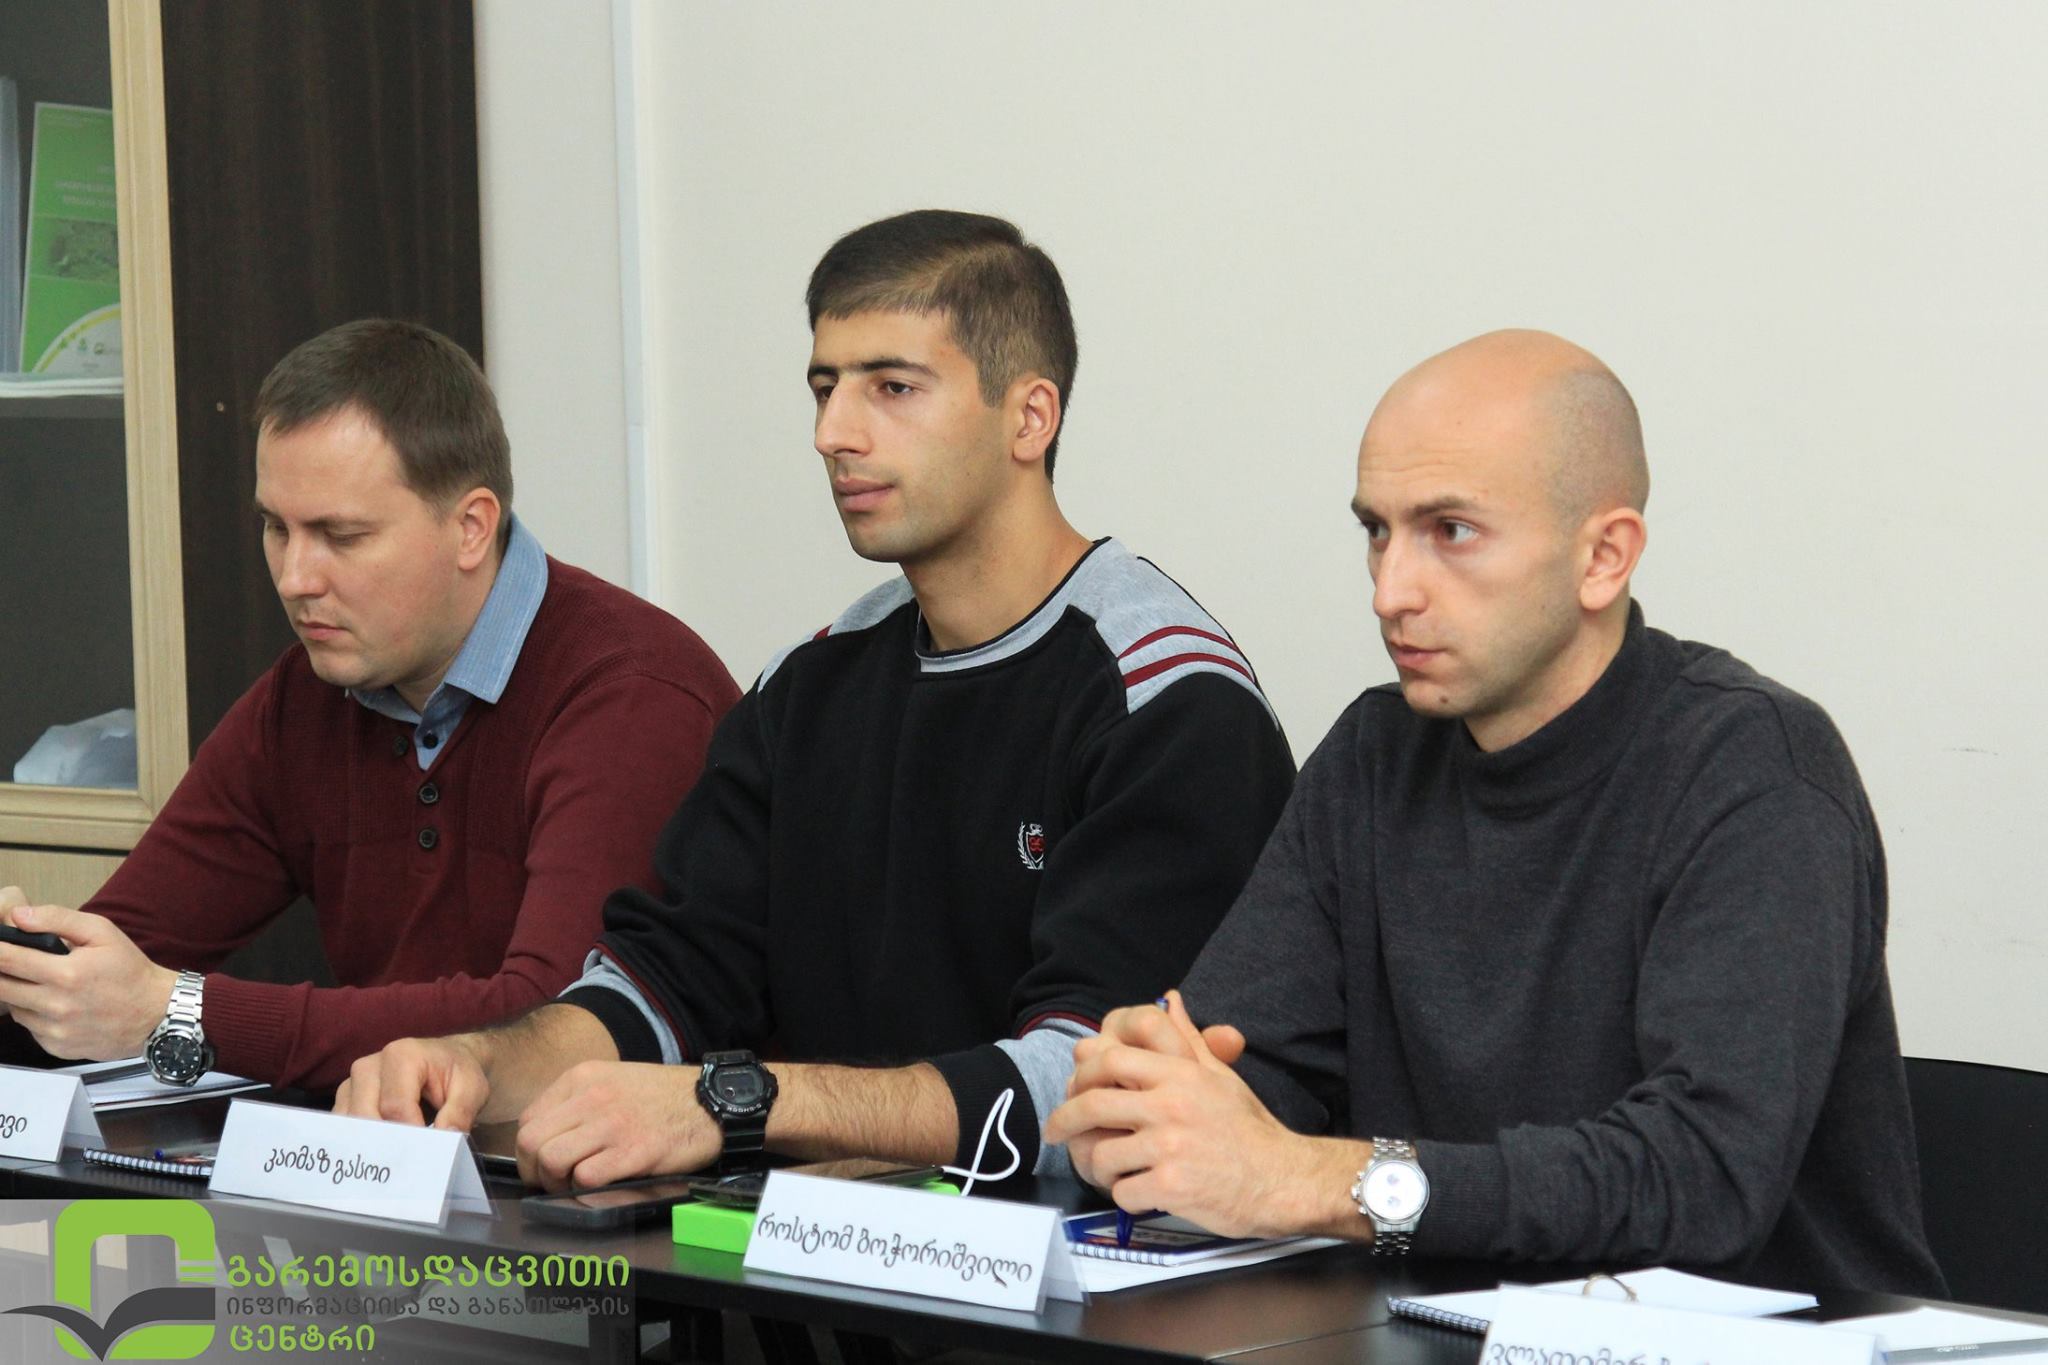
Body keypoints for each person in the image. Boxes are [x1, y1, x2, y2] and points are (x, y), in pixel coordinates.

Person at [339, 210, 1295, 1192]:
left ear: (1028, 418)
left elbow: (1089, 1091)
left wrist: (737, 1102)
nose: (833, 434)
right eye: (824, 387)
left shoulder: (1169, 700)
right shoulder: (808, 685)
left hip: (1065, 1274)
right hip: (807, 1262)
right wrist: (473, 1064)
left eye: (892, 387)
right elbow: (664, 983)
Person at [1046, 329, 1945, 1295]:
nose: (1391, 591)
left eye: (1452, 531)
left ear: (1604, 557)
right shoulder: (1374, 755)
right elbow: (1254, 1073)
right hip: (1446, 1329)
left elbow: (1705, 1177)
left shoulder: (1755, 768)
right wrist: (1153, 1110)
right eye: (1377, 531)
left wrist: (1312, 1179)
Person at [0, 320, 739, 1090]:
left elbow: (553, 1024)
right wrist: (29, 971)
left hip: (606, 1157)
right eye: (276, 527)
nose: (295, 577)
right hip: (386, 1147)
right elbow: (116, 965)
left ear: (471, 528)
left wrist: (179, 1009)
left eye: (340, 535)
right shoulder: (305, 697)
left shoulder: (630, 693)